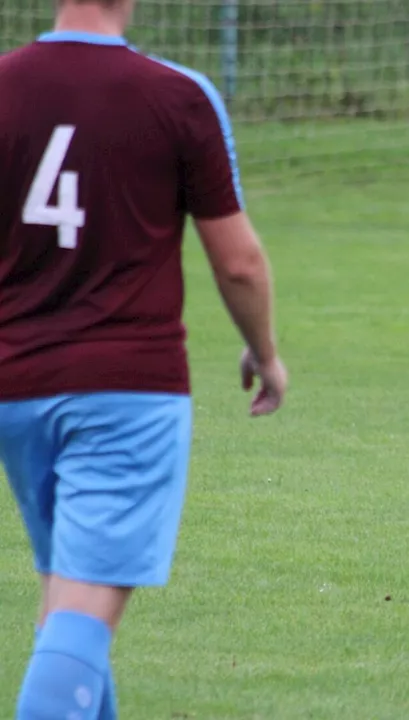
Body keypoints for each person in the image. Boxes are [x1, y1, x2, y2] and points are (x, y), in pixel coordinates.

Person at [0, 1, 287, 717]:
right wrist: (265, 353)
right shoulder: (178, 94)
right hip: (127, 392)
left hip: (16, 387)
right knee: (81, 614)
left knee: (67, 600)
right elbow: (240, 263)